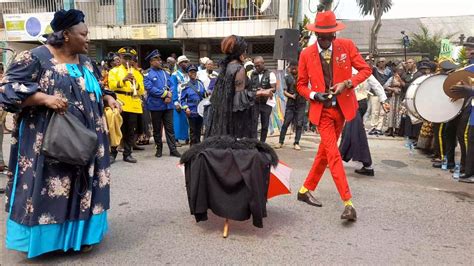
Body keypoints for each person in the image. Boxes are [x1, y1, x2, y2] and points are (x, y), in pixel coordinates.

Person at [0, 9, 120, 258]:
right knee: (52, 185)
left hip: (88, 140)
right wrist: (43, 98)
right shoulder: (35, 58)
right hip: (49, 140)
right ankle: (47, 241)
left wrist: (108, 98)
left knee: (86, 183)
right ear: (66, 35)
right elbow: (8, 90)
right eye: (83, 34)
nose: (88, 39)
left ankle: (84, 236)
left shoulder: (86, 62)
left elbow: (98, 85)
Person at [182, 35, 277, 229]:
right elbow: (239, 101)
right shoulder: (239, 69)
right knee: (238, 163)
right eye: (244, 50)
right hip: (236, 125)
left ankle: (220, 202)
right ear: (240, 52)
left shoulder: (225, 68)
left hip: (221, 124)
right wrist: (261, 93)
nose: (246, 54)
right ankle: (237, 204)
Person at [296, 11, 372, 221]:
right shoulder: (306, 54)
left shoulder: (346, 46)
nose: (327, 41)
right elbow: (300, 85)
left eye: (331, 36)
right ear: (317, 36)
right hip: (322, 112)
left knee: (323, 153)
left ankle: (304, 190)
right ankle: (348, 203)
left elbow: (366, 70)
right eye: (323, 37)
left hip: (343, 109)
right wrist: (313, 94)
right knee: (333, 155)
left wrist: (348, 83)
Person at [340, 69, 389, 176]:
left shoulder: (361, 69)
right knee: (350, 130)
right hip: (353, 103)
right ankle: (339, 157)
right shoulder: (347, 67)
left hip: (358, 103)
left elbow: (376, 85)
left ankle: (367, 165)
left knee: (354, 132)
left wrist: (383, 101)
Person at [108, 46, 145, 163]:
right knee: (116, 128)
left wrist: (136, 84)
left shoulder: (137, 73)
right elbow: (111, 86)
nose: (127, 60)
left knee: (130, 131)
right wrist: (123, 80)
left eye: (130, 58)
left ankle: (127, 154)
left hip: (133, 103)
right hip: (119, 102)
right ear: (120, 57)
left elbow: (141, 90)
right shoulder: (114, 71)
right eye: (125, 58)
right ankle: (112, 153)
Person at [143, 49, 181, 158]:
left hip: (168, 105)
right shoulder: (147, 73)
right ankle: (159, 149)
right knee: (157, 129)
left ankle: (173, 149)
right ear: (151, 61)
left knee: (170, 128)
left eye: (160, 59)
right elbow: (150, 88)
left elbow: (172, 85)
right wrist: (165, 94)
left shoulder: (165, 72)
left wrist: (169, 95)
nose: (159, 61)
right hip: (155, 105)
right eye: (156, 59)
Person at [276, 61, 306, 150]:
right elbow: (284, 91)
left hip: (301, 103)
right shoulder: (287, 78)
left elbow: (306, 89)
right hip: (291, 103)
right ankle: (280, 142)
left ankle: (296, 142)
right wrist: (291, 96)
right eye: (292, 66)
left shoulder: (303, 77)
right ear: (289, 68)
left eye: (295, 66)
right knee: (286, 123)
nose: (293, 68)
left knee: (299, 124)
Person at [250, 56, 276, 142]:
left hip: (266, 104)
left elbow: (274, 89)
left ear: (263, 64)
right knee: (253, 123)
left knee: (265, 125)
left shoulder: (270, 74)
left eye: (258, 65)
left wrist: (264, 91)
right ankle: (254, 142)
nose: (257, 67)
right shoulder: (252, 74)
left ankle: (262, 143)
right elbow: (250, 88)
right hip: (255, 103)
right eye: (255, 66)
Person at [181, 65, 206, 146]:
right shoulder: (185, 86)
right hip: (191, 110)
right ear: (188, 73)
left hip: (200, 110)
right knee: (193, 130)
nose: (193, 73)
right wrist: (186, 108)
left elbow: (204, 95)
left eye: (194, 72)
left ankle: (198, 146)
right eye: (191, 72)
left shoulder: (200, 83)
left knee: (199, 130)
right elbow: (182, 100)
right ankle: (192, 147)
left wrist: (208, 93)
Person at [368, 57, 392, 136]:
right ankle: (373, 127)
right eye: (380, 62)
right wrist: (371, 59)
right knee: (375, 111)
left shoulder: (389, 72)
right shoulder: (374, 70)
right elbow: (369, 69)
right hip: (375, 93)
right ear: (377, 63)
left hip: (384, 94)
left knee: (382, 112)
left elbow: (390, 81)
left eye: (383, 61)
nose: (382, 63)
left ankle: (379, 128)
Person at [170, 55, 190, 146]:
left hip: (187, 100)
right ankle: (175, 140)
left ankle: (187, 138)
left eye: (187, 62)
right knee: (177, 121)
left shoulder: (189, 74)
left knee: (186, 121)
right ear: (180, 64)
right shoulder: (175, 75)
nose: (186, 64)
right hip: (178, 100)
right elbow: (173, 89)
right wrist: (175, 102)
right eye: (184, 62)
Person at [383, 65, 405, 137]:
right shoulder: (391, 78)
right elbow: (385, 86)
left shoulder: (403, 78)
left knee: (398, 113)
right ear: (396, 71)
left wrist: (400, 80)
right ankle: (390, 129)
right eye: (399, 70)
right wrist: (393, 89)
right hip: (392, 98)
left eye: (402, 70)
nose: (400, 71)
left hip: (400, 99)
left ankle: (397, 130)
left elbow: (404, 85)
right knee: (391, 113)